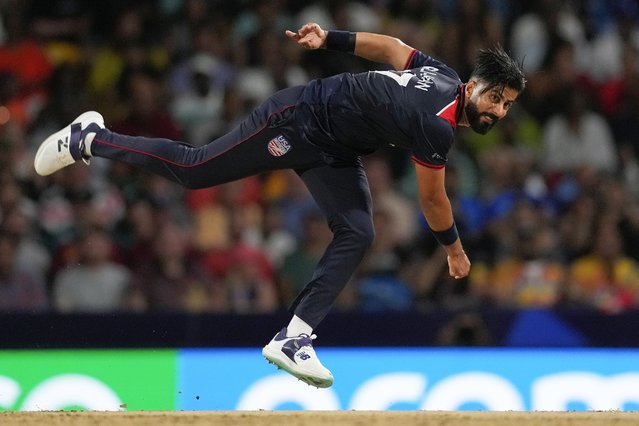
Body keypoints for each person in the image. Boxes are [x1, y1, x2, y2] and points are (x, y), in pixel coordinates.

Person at [34, 22, 525, 388]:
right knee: (194, 170)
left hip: (335, 148)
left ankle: (293, 338)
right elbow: (431, 197)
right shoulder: (437, 122)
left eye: (507, 106)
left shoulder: (440, 75)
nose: (499, 111)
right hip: (298, 121)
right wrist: (454, 250)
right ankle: (92, 138)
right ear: (475, 85)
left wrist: (329, 38)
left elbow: (393, 49)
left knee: (358, 231)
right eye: (496, 98)